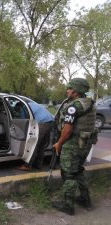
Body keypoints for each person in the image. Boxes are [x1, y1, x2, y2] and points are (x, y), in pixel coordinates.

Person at [52, 78, 96, 215]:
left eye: (70, 88)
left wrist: (59, 144)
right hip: (85, 143)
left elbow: (67, 130)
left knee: (68, 173)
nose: (68, 90)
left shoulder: (74, 106)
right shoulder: (90, 103)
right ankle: (85, 199)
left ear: (76, 91)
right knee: (78, 171)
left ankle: (68, 205)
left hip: (73, 144)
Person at [17, 101, 55, 171]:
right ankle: (38, 164)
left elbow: (23, 120)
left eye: (18, 109)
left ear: (19, 106)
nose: (18, 110)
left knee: (33, 144)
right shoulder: (32, 104)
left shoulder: (24, 107)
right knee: (41, 145)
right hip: (50, 121)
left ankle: (27, 165)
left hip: (42, 123)